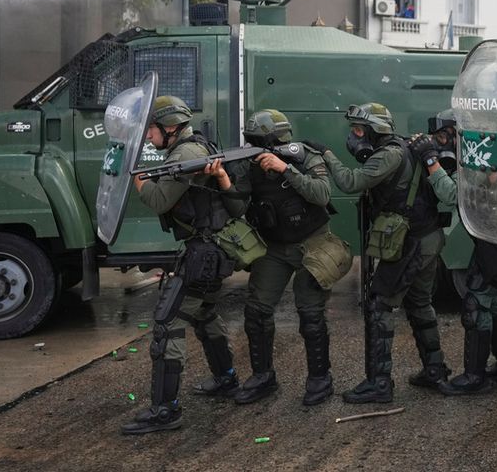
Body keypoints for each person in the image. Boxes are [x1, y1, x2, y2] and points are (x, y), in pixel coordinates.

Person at [121, 95, 247, 435]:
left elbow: (160, 199)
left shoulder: (187, 155)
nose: (148, 137)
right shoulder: (189, 150)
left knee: (167, 322)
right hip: (208, 248)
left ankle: (166, 410)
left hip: (205, 252)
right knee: (204, 315)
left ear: (170, 126)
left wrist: (137, 181)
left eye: (151, 130)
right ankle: (226, 379)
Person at [312, 102, 449, 403]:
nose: (354, 135)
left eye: (359, 130)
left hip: (410, 242)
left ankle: (380, 383)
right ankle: (436, 371)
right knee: (419, 303)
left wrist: (327, 154)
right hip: (426, 236)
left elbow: (350, 182)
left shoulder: (389, 153)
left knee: (379, 305)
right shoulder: (401, 147)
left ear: (375, 130)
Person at [231, 109, 350, 407]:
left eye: (260, 140)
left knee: (310, 314)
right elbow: (236, 203)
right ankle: (263, 377)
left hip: (312, 242)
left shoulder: (304, 156)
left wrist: (285, 169)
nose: (255, 145)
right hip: (274, 246)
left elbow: (322, 194)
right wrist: (222, 178)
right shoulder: (249, 164)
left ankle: (320, 379)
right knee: (256, 312)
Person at [412, 110, 497, 396]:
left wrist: (431, 162)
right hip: (496, 242)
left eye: (443, 137)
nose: (440, 143)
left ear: (457, 134)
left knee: (476, 306)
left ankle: (476, 378)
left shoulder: (483, 156)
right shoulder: (479, 154)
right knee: (489, 304)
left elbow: (452, 195)